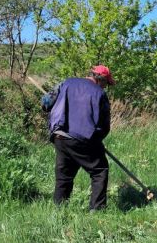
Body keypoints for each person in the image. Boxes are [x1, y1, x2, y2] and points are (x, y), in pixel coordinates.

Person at [42, 65, 115, 210]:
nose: (106, 87)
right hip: (83, 138)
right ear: (101, 80)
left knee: (64, 175)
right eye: (106, 83)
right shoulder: (100, 94)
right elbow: (104, 125)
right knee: (99, 170)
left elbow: (45, 103)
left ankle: (59, 210)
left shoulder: (66, 83)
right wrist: (96, 141)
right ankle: (97, 210)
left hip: (60, 136)